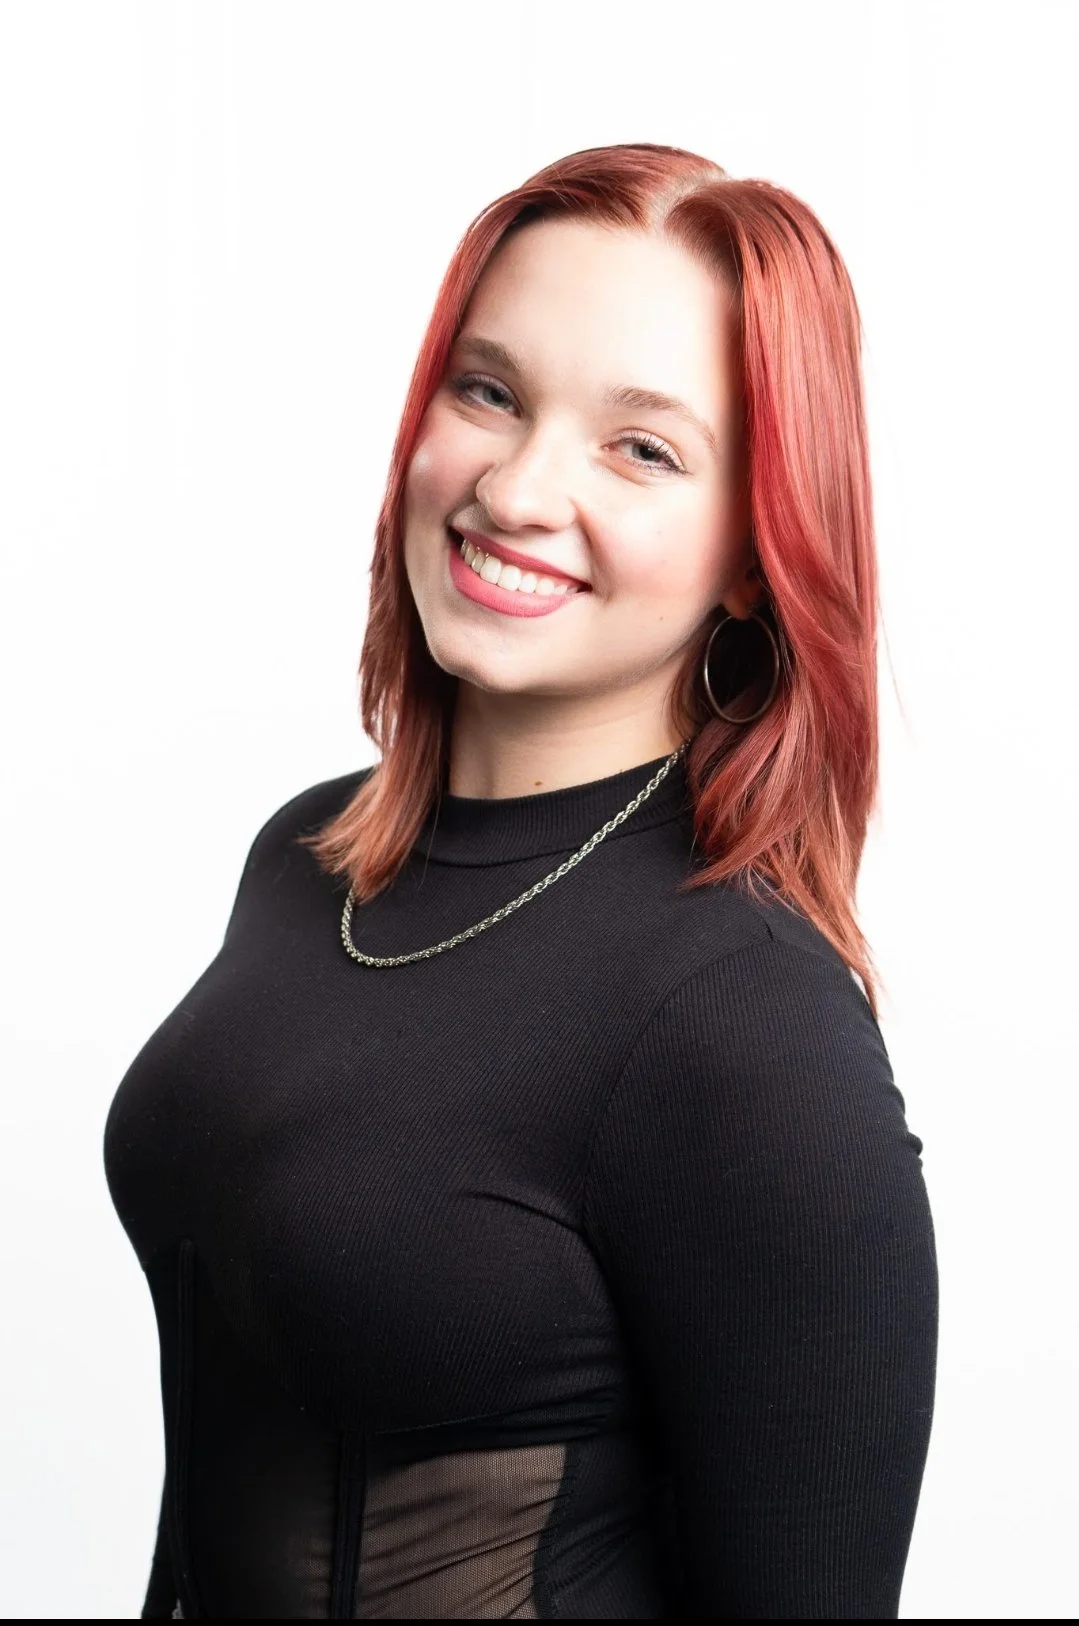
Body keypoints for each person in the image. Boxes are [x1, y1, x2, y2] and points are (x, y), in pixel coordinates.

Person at [104, 142, 938, 1620]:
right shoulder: (308, 860)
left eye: (643, 447)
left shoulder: (744, 1020)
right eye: (488, 389)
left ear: (755, 551)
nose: (516, 483)